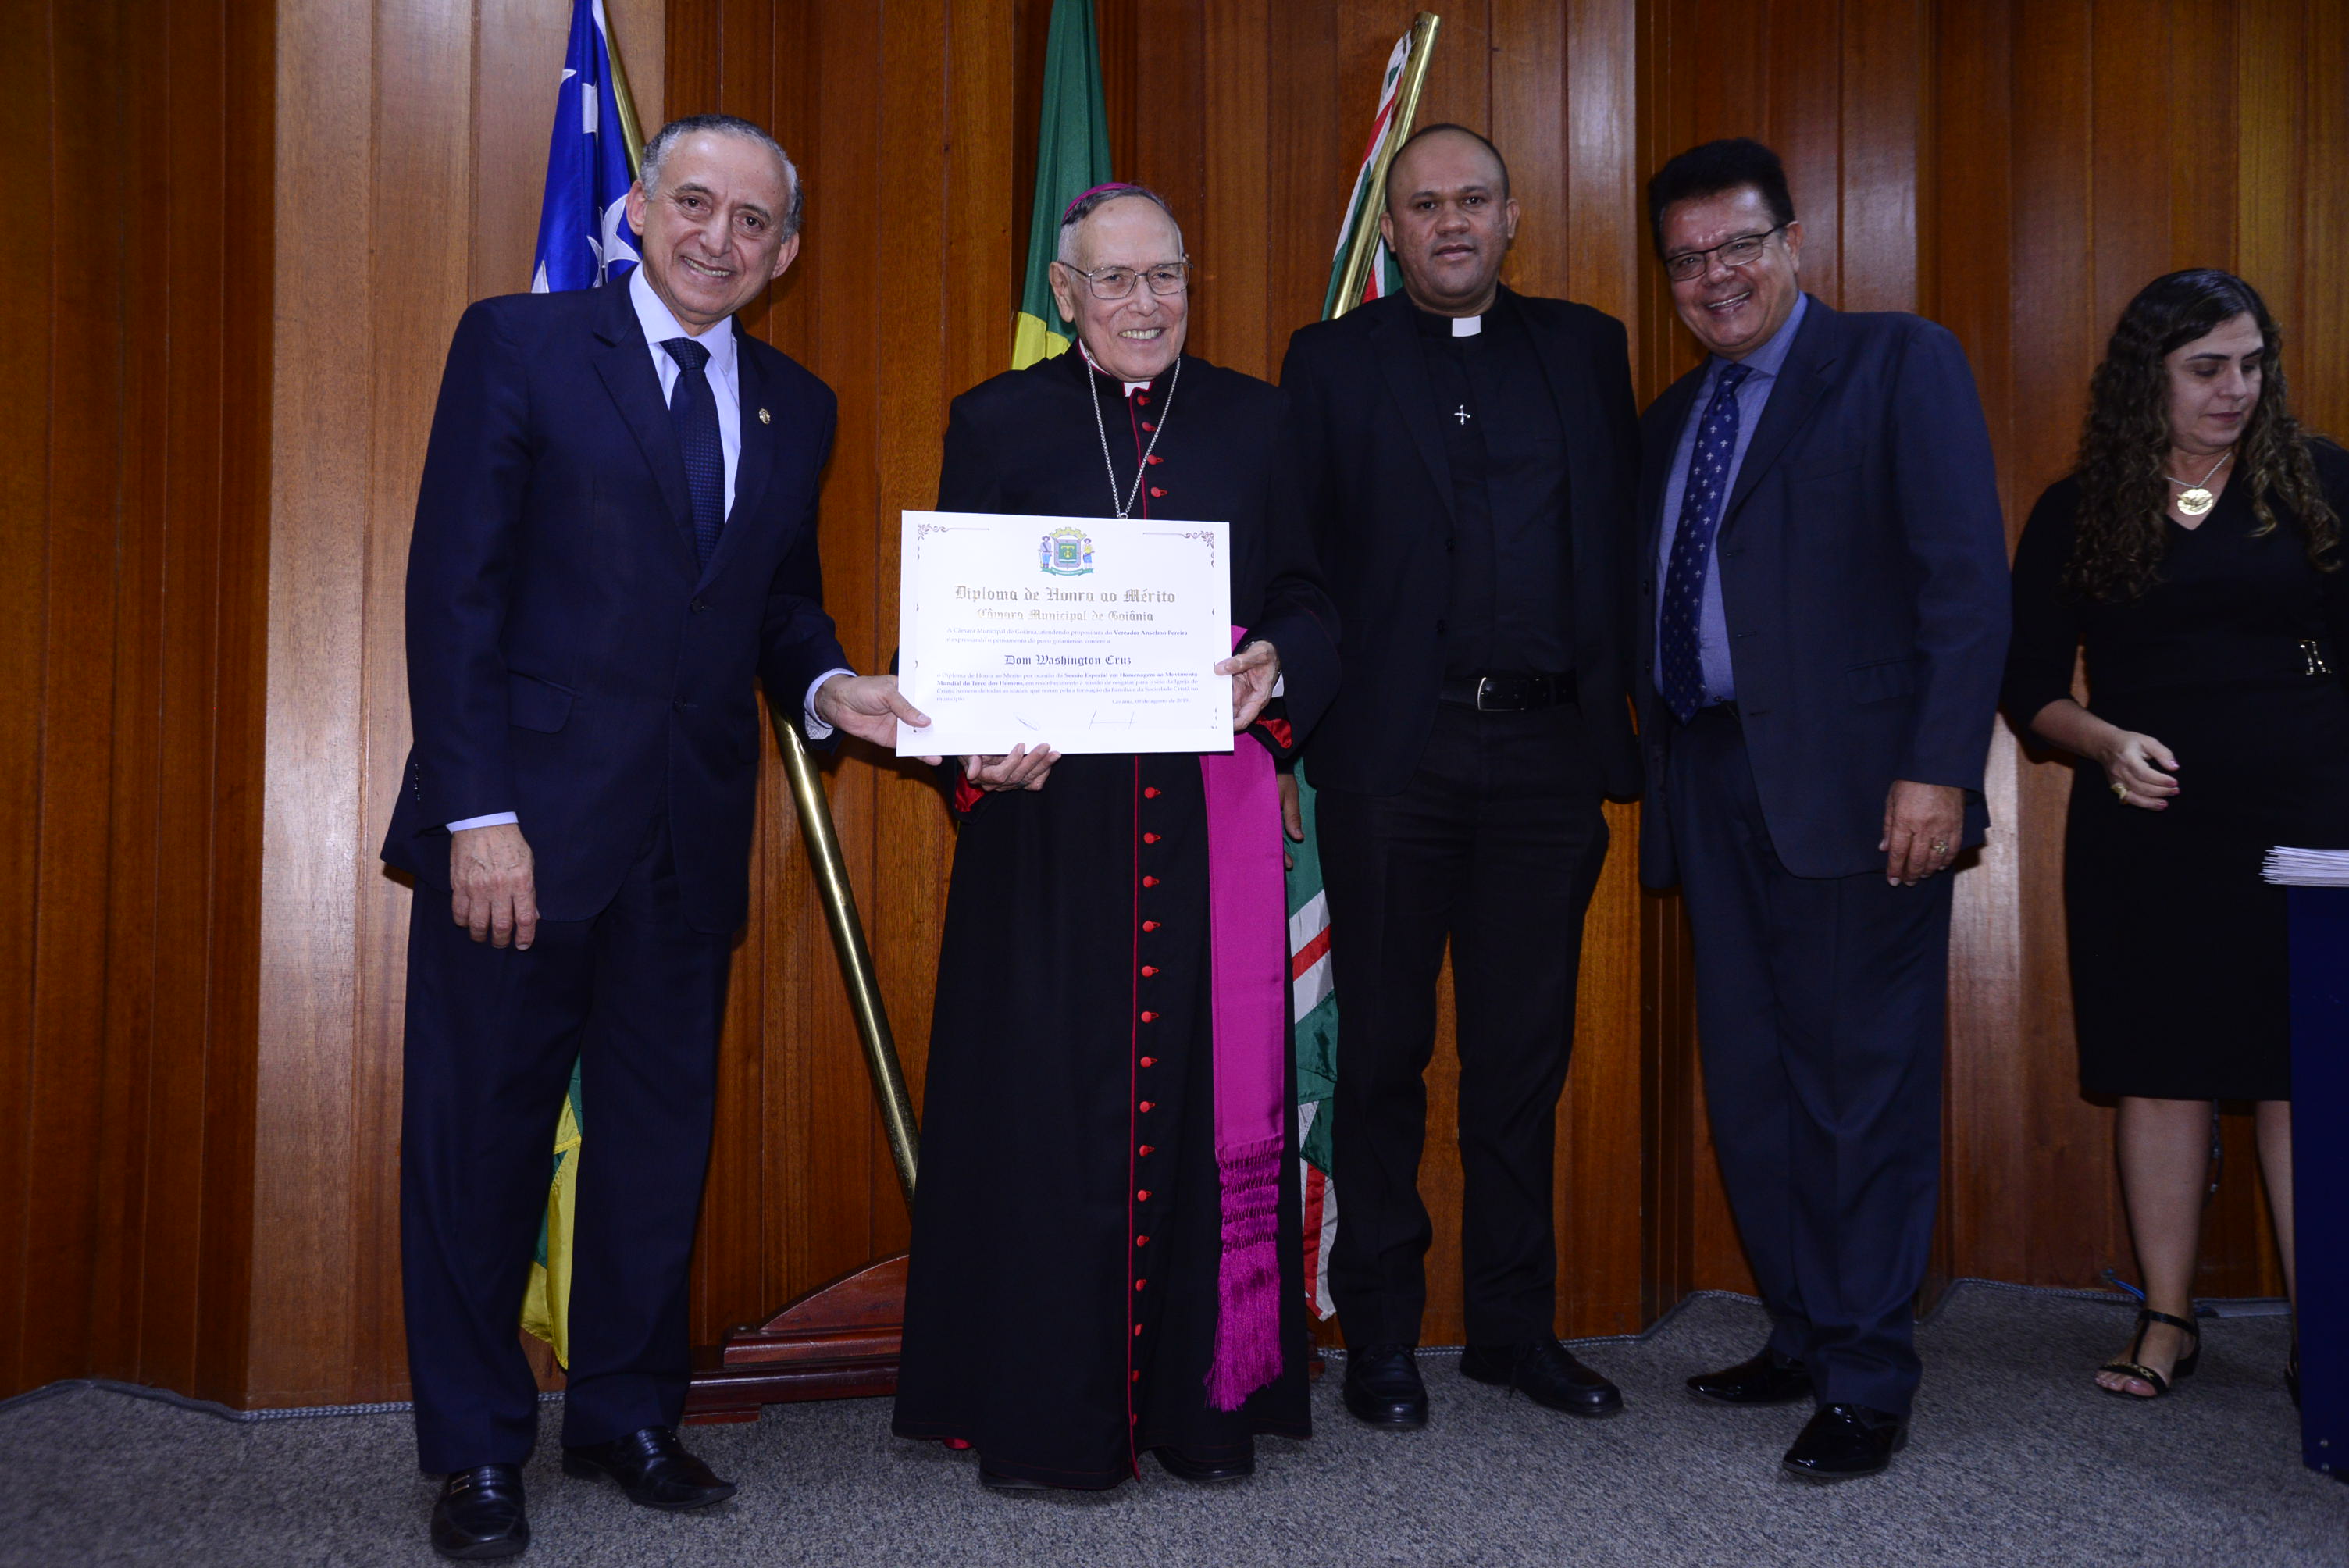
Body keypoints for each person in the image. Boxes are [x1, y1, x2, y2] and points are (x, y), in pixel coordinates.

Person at [383, 114, 926, 1559]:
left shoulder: (796, 403)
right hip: (522, 833)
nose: (717, 239)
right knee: (480, 1143)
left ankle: (626, 1415)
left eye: (752, 222)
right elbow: (455, 593)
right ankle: (476, 1450)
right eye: (694, 203)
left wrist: (833, 687)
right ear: (636, 208)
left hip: (689, 837)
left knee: (655, 1143)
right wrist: (477, 816)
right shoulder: (520, 344)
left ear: (785, 253)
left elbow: (779, 606)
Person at [890, 184, 1340, 1491]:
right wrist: (975, 743)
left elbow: (1313, 595)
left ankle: (1205, 1411)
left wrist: (1275, 660)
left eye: (1168, 277)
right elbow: (953, 626)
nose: (1148, 304)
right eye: (1118, 280)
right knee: (1042, 1106)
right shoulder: (995, 419)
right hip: (1049, 831)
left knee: (1203, 1094)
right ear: (1066, 293)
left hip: (1207, 825)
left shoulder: (1258, 418)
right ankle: (1044, 1416)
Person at [1635, 138, 2009, 1480]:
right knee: (1754, 1082)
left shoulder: (1900, 363)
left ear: (1793, 243)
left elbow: (1966, 584)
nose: (1715, 276)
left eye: (1738, 245)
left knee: (1859, 1089)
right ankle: (1800, 1328)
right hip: (1710, 779)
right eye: (1686, 260)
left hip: (1863, 793)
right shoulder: (1673, 418)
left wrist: (1938, 769)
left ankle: (1865, 1371)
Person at [1278, 124, 1642, 1430]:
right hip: (1395, 758)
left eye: (1473, 200)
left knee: (1521, 1061)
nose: (1450, 222)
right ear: (1391, 229)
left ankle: (1513, 1330)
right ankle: (1381, 1334)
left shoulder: (1589, 349)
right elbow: (1298, 558)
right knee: (1383, 1055)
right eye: (1424, 204)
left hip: (1549, 756)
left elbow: (1625, 540)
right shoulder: (1329, 363)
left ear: (1512, 215)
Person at [2004, 269, 2347, 1405]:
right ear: (2146, 378)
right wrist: (2104, 744)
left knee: (2304, 1075)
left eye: (2252, 365)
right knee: (2160, 1069)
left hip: (2307, 824)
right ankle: (2166, 1318)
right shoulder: (2080, 507)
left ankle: (2324, 1331)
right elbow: (2028, 687)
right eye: (2207, 368)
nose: (2235, 388)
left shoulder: (2321, 482)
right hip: (2147, 827)